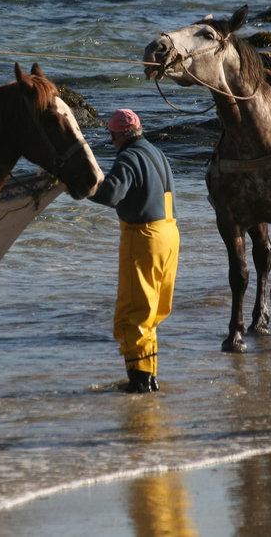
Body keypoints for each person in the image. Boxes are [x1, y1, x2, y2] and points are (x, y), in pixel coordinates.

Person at [89, 109, 180, 393]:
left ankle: (139, 383)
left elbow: (111, 194)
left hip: (143, 238)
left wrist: (79, 186)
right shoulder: (155, 152)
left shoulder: (128, 156)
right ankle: (150, 376)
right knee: (152, 313)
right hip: (170, 235)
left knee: (132, 314)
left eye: (112, 137)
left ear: (116, 136)